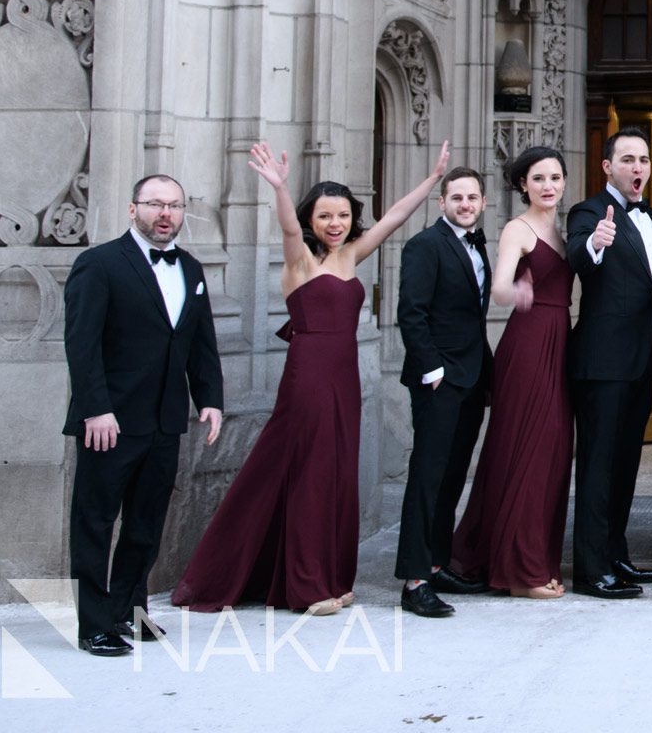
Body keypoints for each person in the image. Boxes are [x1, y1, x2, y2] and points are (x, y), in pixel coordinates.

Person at [175, 142, 448, 616]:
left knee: (338, 475)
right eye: (325, 216)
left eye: (343, 215)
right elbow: (285, 225)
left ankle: (334, 578)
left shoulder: (352, 255)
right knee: (312, 477)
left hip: (344, 379)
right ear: (311, 220)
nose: (336, 223)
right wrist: (279, 188)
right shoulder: (300, 259)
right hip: (308, 377)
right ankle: (305, 587)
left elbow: (396, 217)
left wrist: (433, 179)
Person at [63, 175, 223, 656]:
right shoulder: (99, 263)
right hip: (109, 422)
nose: (165, 214)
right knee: (95, 522)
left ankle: (129, 610)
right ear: (133, 209)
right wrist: (96, 409)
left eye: (174, 205)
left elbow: (199, 343)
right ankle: (94, 624)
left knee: (145, 524)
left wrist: (209, 399)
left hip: (164, 421)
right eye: (155, 204)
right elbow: (81, 344)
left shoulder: (191, 268)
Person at [452, 147, 576, 599]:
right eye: (539, 178)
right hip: (527, 344)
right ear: (523, 184)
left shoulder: (560, 231)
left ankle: (533, 556)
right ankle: (519, 571)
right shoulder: (516, 229)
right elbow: (500, 288)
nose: (548, 185)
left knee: (553, 451)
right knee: (528, 448)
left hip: (559, 341)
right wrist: (517, 292)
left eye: (555, 177)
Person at [565, 128, 652, 598]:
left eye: (644, 159)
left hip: (640, 360)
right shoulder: (589, 213)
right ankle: (591, 570)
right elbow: (577, 257)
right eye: (627, 159)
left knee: (627, 463)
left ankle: (616, 555)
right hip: (603, 362)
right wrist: (596, 243)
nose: (638, 168)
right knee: (597, 465)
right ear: (607, 166)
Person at [394, 166, 496, 618]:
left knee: (454, 475)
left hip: (471, 378)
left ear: (483, 203)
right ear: (442, 203)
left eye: (472, 197)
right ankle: (414, 580)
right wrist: (432, 370)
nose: (465, 205)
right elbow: (411, 313)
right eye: (457, 198)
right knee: (428, 476)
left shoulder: (478, 246)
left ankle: (435, 562)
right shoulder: (424, 246)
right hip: (438, 380)